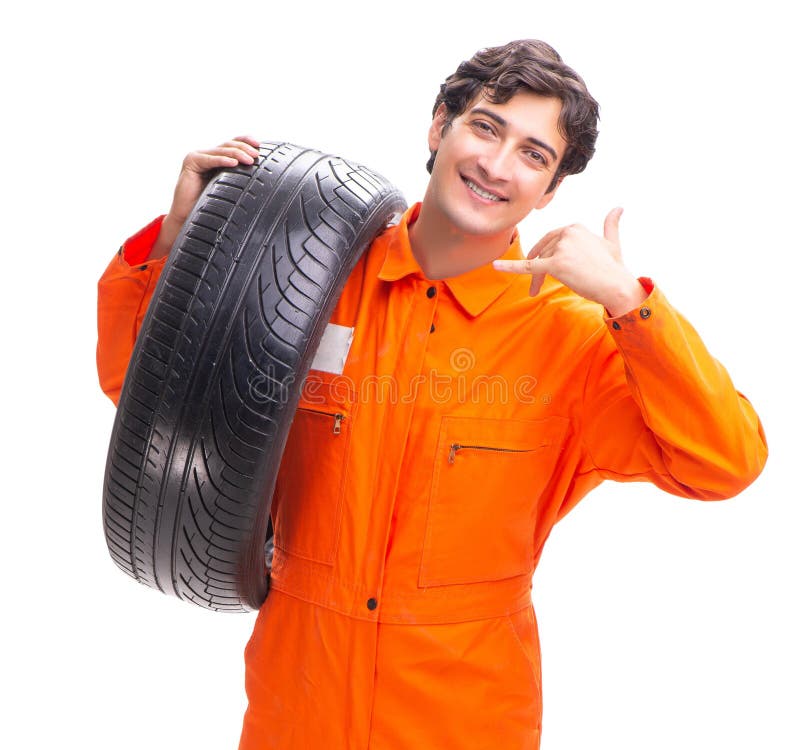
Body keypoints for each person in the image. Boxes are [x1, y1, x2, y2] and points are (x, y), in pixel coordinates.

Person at [96, 39, 767, 750]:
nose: (496, 165)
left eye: (534, 155)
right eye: (485, 126)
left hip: (462, 716)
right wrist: (184, 240)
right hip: (297, 707)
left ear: (552, 192)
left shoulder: (571, 337)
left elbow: (724, 464)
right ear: (438, 126)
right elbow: (145, 393)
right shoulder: (313, 279)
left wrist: (630, 304)